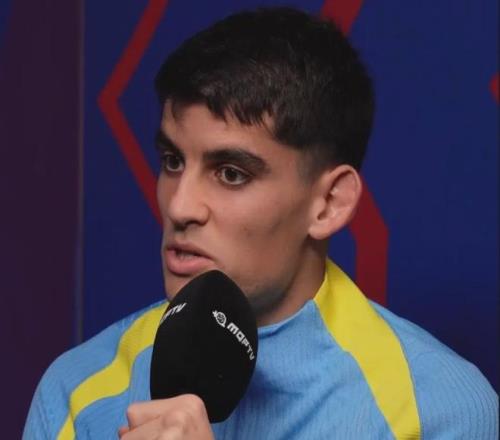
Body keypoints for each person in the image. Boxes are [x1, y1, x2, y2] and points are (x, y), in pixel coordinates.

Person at [24, 7, 497, 440]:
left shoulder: (440, 411)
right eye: (172, 161)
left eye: (231, 173)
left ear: (329, 203)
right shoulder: (76, 391)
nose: (180, 206)